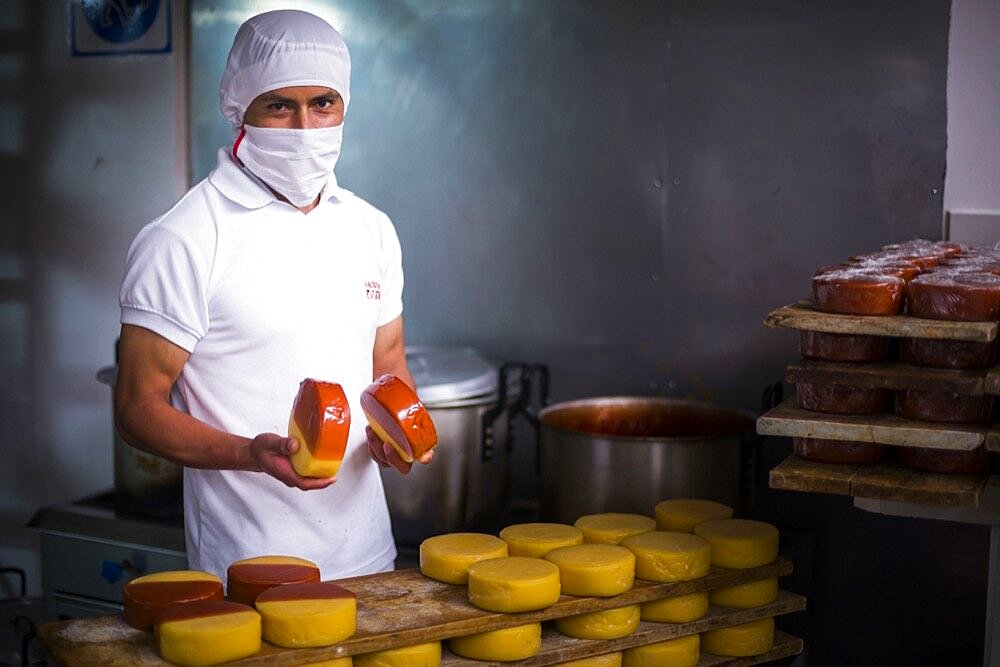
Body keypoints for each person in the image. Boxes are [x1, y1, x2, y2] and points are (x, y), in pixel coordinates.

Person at [114, 9, 430, 582]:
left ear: (345, 106)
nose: (306, 126)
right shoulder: (185, 238)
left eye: (324, 103)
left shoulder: (370, 227)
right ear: (242, 110)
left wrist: (393, 438)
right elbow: (138, 410)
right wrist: (247, 454)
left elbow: (386, 366)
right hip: (250, 570)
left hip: (371, 563)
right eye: (281, 105)